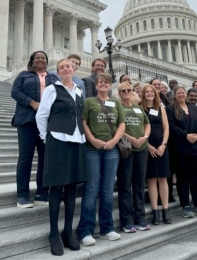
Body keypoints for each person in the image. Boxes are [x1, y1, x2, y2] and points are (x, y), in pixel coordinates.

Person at [36, 59, 88, 256]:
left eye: (69, 66)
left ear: (74, 69)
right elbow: (41, 116)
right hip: (57, 139)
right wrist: (46, 137)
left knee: (72, 186)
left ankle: (68, 232)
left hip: (77, 140)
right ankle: (53, 234)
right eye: (62, 67)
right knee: (56, 187)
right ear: (57, 72)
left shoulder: (79, 91)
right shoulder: (51, 89)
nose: (66, 68)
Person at [77, 73, 125, 245]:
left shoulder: (116, 102)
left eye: (106, 82)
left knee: (107, 189)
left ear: (110, 85)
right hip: (92, 149)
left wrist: (113, 141)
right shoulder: (89, 101)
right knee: (91, 189)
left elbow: (122, 124)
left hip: (111, 149)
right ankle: (85, 231)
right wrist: (93, 140)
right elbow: (83, 122)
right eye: (100, 82)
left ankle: (107, 228)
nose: (103, 84)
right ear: (96, 85)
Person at [11, 50, 58, 208]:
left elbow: (60, 95)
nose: (40, 60)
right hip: (27, 121)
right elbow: (15, 92)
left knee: (45, 159)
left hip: (46, 123)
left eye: (43, 58)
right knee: (25, 158)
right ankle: (22, 195)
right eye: (37, 58)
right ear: (32, 61)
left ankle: (42, 192)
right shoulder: (24, 75)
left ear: (46, 61)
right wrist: (32, 103)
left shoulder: (53, 77)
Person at [166, 86, 197, 218]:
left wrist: (196, 135)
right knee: (183, 178)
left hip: (196, 149)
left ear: (186, 94)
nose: (181, 95)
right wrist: (186, 135)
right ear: (175, 95)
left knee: (196, 178)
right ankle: (185, 206)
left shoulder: (194, 108)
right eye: (178, 93)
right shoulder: (170, 109)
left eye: (183, 93)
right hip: (181, 149)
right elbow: (172, 127)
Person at [117, 81, 151, 233]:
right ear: (119, 93)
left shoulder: (138, 108)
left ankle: (140, 218)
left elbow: (147, 124)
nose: (126, 93)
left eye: (128, 90)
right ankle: (127, 221)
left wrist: (145, 136)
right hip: (127, 149)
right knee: (125, 185)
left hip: (142, 149)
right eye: (123, 91)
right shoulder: (118, 107)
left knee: (138, 184)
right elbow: (117, 127)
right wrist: (130, 138)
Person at [140, 84, 172, 225]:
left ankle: (165, 210)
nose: (149, 94)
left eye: (151, 92)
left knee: (163, 179)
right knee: (152, 180)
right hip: (148, 146)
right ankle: (155, 212)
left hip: (161, 146)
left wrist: (164, 144)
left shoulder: (161, 108)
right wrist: (148, 147)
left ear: (155, 94)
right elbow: (139, 129)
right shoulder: (140, 108)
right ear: (143, 94)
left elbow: (166, 128)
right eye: (147, 92)